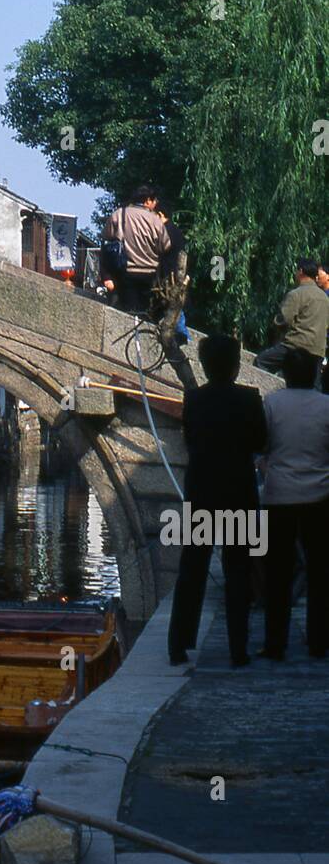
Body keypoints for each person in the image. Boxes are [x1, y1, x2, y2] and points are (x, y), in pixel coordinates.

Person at [166, 335, 267, 668]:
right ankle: (238, 649)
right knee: (238, 572)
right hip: (239, 491)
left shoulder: (193, 399)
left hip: (202, 491)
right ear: (237, 365)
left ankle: (178, 645)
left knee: (192, 570)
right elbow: (260, 442)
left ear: (205, 366)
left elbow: (191, 440)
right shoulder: (250, 399)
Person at [259, 347, 329, 660]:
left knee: (278, 572)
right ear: (314, 373)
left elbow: (261, 445)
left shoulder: (272, 403)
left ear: (285, 374)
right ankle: (318, 641)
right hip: (319, 496)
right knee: (320, 572)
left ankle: (275, 642)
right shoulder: (326, 406)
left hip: (279, 496)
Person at [254, 258, 329, 383]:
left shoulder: (296, 294)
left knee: (261, 362)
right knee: (313, 384)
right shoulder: (325, 298)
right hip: (318, 350)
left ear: (300, 271)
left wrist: (277, 326)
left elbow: (283, 320)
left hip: (295, 346)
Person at [100, 185, 171, 314]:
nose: (155, 204)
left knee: (123, 311)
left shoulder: (119, 214)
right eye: (155, 201)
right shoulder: (156, 221)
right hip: (150, 274)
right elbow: (166, 246)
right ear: (148, 200)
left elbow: (106, 236)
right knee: (145, 313)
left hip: (124, 271)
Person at [157, 205, 189, 343]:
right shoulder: (174, 230)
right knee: (173, 304)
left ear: (160, 214)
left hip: (170, 274)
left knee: (174, 304)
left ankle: (182, 333)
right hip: (174, 273)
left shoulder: (167, 230)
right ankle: (181, 332)